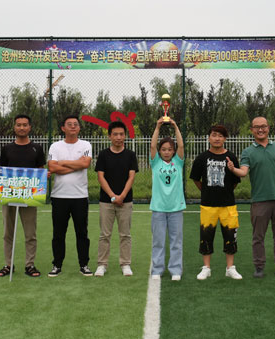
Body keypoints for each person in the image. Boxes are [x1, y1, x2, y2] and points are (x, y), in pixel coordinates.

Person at [227, 117, 275, 279]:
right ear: (252, 130)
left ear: (268, 128)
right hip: (259, 201)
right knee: (258, 237)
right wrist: (233, 169)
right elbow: (243, 172)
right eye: (256, 127)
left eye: (263, 126)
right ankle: (259, 267)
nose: (260, 129)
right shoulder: (248, 152)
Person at [0, 114, 45, 278]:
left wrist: (44, 175)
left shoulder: (37, 149)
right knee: (8, 232)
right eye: (19, 125)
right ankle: (8, 264)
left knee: (30, 233)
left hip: (29, 196)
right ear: (14, 127)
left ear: (30, 127)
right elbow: (1, 171)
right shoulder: (7, 149)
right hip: (9, 196)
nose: (22, 128)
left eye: (25, 125)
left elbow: (40, 170)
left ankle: (30, 265)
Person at [189, 125, 243, 280]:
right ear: (209, 138)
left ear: (225, 138)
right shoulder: (202, 158)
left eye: (220, 135)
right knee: (206, 237)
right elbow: (196, 179)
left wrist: (225, 191)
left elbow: (235, 181)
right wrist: (206, 191)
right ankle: (206, 268)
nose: (217, 138)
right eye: (214, 135)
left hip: (228, 205)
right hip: (208, 205)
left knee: (230, 236)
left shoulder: (231, 157)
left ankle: (230, 268)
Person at [47, 115, 93, 277]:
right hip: (59, 196)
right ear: (63, 128)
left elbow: (85, 164)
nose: (73, 126)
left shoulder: (86, 144)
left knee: (82, 233)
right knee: (58, 234)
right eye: (69, 124)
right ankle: (57, 265)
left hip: (80, 197)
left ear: (79, 128)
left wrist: (62, 162)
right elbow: (52, 167)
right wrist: (76, 164)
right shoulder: (55, 146)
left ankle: (84, 265)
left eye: (75, 124)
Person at [94, 121, 139, 277]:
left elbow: (131, 177)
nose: (118, 137)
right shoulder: (103, 155)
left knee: (125, 234)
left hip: (125, 201)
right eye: (115, 134)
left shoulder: (130, 155)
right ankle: (102, 265)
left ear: (125, 136)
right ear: (109, 136)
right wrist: (113, 196)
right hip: (106, 201)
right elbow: (101, 177)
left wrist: (122, 196)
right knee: (104, 235)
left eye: (121, 134)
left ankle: (125, 264)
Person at [149, 116, 186, 281]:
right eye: (163, 149)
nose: (166, 152)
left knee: (176, 242)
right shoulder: (155, 163)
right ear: (159, 151)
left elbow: (182, 145)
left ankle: (175, 270)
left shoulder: (178, 162)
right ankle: (157, 270)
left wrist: (175, 127)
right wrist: (157, 127)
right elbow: (152, 145)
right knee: (158, 241)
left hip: (176, 208)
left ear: (173, 151)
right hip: (158, 208)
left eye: (169, 149)